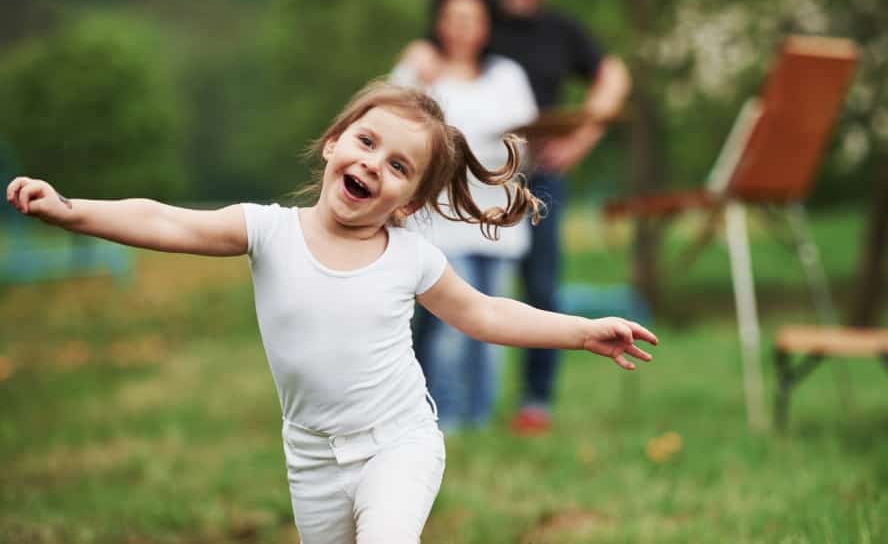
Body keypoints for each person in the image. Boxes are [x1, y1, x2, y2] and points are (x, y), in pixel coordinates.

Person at [6, 80, 656, 544]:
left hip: (400, 443)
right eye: (366, 142)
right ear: (333, 144)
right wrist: (71, 210)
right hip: (312, 459)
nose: (373, 164)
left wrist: (580, 330)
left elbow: (484, 314)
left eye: (398, 165)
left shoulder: (410, 256)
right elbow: (164, 219)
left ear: (406, 203)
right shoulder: (266, 230)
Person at [400, 0, 632, 435]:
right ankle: (425, 405)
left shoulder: (561, 30)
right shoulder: (475, 18)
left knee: (540, 288)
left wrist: (583, 136)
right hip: (452, 193)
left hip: (533, 180)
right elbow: (433, 48)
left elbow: (613, 76)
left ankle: (533, 402)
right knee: (441, 303)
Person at [392, 0, 538, 432]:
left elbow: (525, 143)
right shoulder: (419, 74)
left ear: (486, 25)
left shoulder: (507, 76)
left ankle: (480, 418)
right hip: (441, 225)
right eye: (452, 17)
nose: (461, 27)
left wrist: (481, 149)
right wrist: (411, 70)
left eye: (471, 18)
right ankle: (443, 419)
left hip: (498, 224)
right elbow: (395, 132)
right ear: (438, 23)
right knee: (453, 329)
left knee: (495, 331)